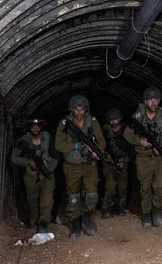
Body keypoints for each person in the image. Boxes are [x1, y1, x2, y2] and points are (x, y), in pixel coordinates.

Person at [55, 95, 105, 239]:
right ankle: (75, 224)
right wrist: (76, 145)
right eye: (76, 110)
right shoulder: (65, 123)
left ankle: (87, 218)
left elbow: (100, 140)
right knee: (73, 198)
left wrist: (97, 151)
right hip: (72, 166)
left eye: (82, 109)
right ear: (72, 110)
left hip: (90, 165)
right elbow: (59, 145)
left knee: (92, 195)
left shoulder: (92, 121)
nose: (79, 113)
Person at [124, 87, 162, 227]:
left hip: (161, 157)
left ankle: (156, 209)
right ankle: (146, 214)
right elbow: (127, 134)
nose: (153, 102)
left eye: (156, 99)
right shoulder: (137, 117)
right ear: (145, 102)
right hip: (143, 158)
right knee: (145, 188)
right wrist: (140, 141)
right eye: (150, 100)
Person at [11, 119, 58, 233]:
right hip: (31, 175)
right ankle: (33, 221)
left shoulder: (48, 138)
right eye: (33, 127)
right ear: (29, 128)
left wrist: (48, 170)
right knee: (32, 200)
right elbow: (13, 157)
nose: (35, 129)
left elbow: (56, 156)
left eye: (37, 126)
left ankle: (43, 223)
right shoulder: (24, 140)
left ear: (41, 127)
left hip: (47, 173)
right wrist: (28, 162)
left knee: (47, 200)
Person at [101, 108, 132, 219]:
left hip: (122, 163)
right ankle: (108, 209)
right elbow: (100, 144)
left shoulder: (126, 131)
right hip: (109, 163)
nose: (114, 122)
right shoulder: (105, 131)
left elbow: (131, 149)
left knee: (122, 187)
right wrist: (105, 155)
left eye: (116, 119)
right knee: (110, 185)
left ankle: (120, 208)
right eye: (112, 120)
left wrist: (124, 161)